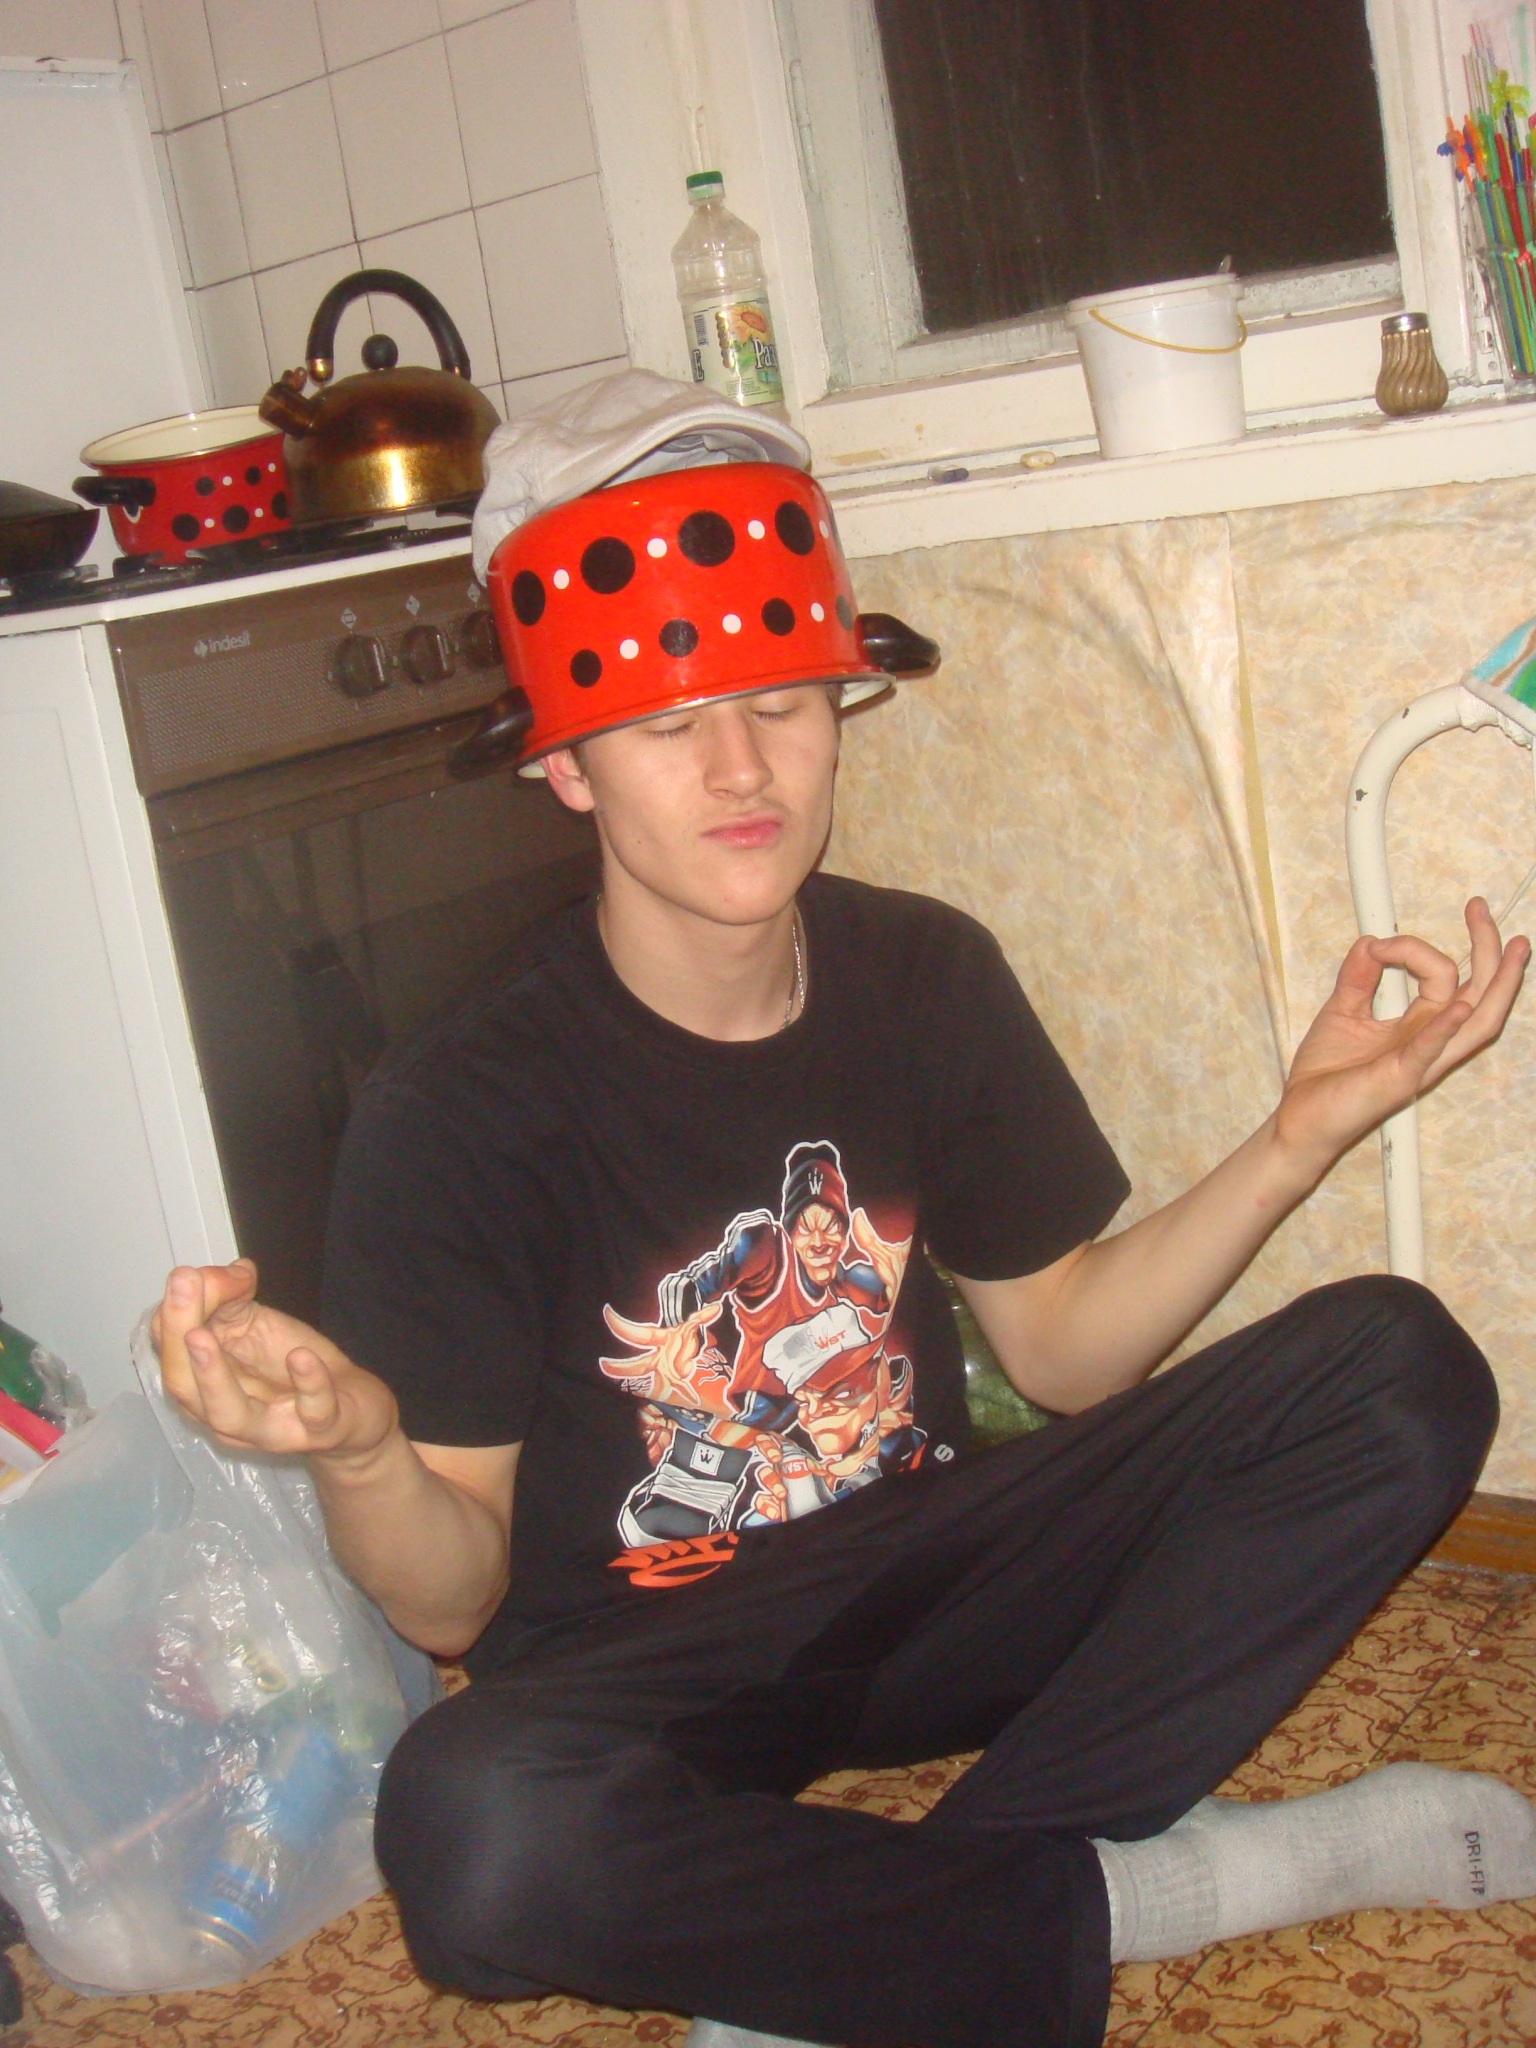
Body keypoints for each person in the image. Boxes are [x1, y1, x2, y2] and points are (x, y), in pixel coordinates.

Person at [154, 440, 1533, 2048]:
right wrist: (362, 1450)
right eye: (669, 724)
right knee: (470, 1829)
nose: (742, 770)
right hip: (664, 1671)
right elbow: (451, 1609)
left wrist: (1297, 1136)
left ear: (839, 709)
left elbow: (1062, 1352)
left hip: (936, 1575)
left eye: (784, 705)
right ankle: (1147, 1891)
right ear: (569, 767)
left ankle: (863, 1952)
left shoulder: (925, 971)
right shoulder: (455, 1105)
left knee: (1402, 1367)